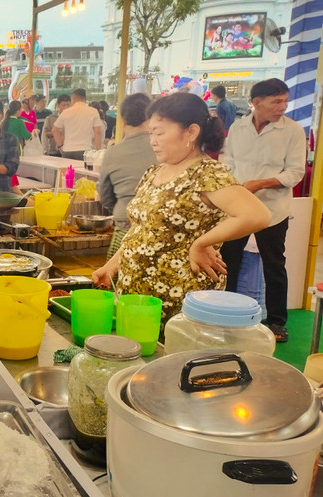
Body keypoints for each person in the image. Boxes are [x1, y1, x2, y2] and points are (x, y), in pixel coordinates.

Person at [91, 92, 270, 322]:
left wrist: (201, 243)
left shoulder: (206, 173)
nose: (153, 141)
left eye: (160, 133)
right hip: (136, 293)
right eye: (151, 133)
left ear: (191, 132)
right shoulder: (154, 171)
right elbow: (141, 229)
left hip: (179, 296)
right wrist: (112, 265)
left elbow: (257, 215)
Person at [220, 79, 307, 343]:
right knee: (228, 261)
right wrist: (232, 188)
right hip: (239, 208)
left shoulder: (293, 131)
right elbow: (228, 162)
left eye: (284, 101)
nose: (282, 107)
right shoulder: (238, 127)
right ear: (256, 103)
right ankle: (225, 313)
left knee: (274, 265)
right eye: (276, 102)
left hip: (273, 210)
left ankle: (277, 323)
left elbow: (295, 172)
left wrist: (260, 184)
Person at [97, 93, 157, 259]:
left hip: (125, 226)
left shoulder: (113, 152)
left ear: (122, 119)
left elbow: (105, 196)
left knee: (117, 283)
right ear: (150, 116)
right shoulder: (163, 147)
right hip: (160, 230)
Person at [52, 88, 104, 160]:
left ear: (73, 98)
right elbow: (97, 132)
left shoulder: (66, 112)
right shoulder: (93, 111)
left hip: (67, 150)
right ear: (85, 98)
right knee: (82, 171)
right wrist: (98, 151)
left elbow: (55, 130)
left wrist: (60, 146)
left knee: (69, 171)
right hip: (85, 150)